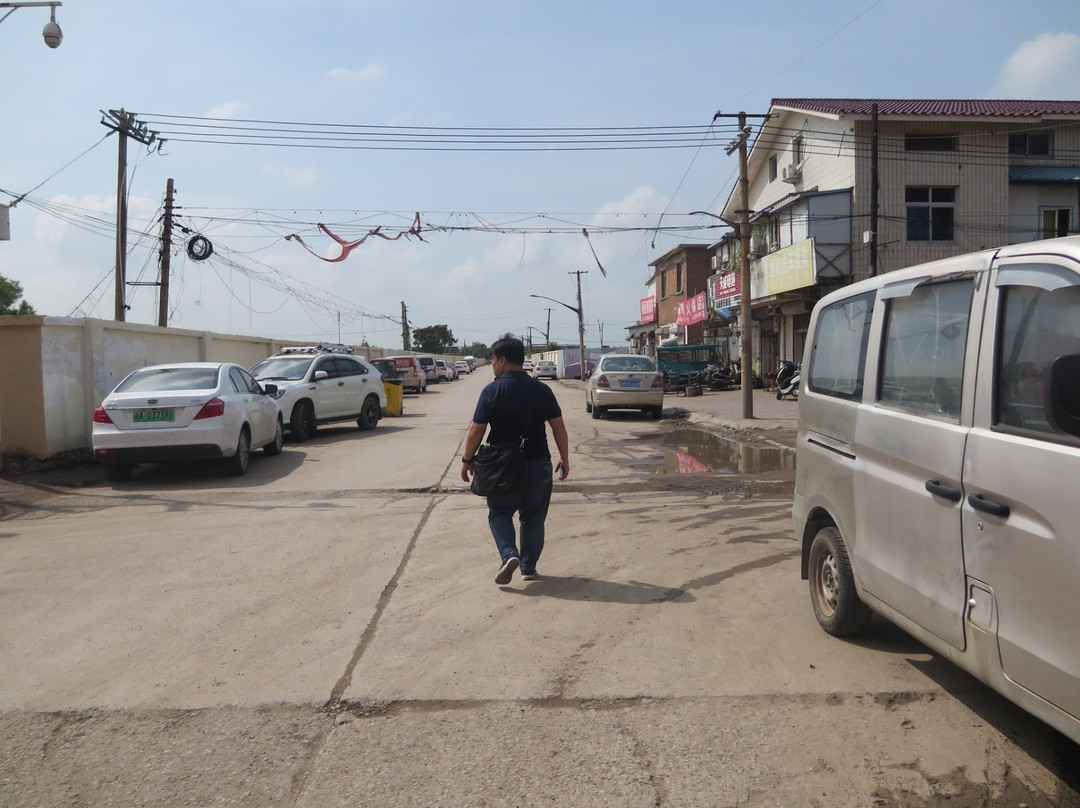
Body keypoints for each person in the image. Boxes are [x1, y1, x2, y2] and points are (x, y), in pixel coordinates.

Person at [460, 335, 569, 585]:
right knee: (533, 517)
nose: (492, 365)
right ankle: (528, 567)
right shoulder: (542, 389)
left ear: (502, 360)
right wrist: (564, 458)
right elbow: (558, 427)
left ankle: (509, 554)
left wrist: (467, 460)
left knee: (499, 513)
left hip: (502, 467)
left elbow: (476, 430)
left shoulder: (492, 390)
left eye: (493, 360)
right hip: (538, 462)